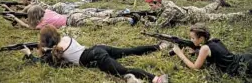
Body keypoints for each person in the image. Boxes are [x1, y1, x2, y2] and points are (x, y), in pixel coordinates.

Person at [21, 25, 169, 83]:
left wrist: (29, 54)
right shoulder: (65, 38)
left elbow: (40, 61)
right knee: (128, 51)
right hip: (97, 48)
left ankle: (156, 80)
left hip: (96, 58)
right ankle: (158, 47)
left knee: (124, 71)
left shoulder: (55, 52)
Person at [172, 23, 252, 80]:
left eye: (193, 38)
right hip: (244, 58)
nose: (191, 40)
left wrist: (179, 53)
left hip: (240, 67)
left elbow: (195, 67)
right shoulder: (214, 40)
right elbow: (214, 52)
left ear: (201, 39)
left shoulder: (205, 48)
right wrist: (196, 51)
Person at [144, 0, 252, 28]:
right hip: (191, 10)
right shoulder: (164, 2)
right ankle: (218, 2)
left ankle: (245, 14)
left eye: (151, 5)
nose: (150, 7)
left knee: (220, 17)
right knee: (205, 9)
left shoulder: (168, 10)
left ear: (157, 3)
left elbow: (158, 26)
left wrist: (146, 22)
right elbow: (160, 13)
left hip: (195, 16)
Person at [6, 5, 135, 29]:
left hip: (72, 21)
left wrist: (15, 17)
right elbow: (35, 6)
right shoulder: (48, 12)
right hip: (73, 14)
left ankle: (127, 19)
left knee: (102, 22)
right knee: (100, 14)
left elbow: (27, 26)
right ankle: (123, 11)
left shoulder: (42, 23)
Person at [3, 0, 100, 14]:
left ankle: (98, 9)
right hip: (57, 6)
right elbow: (23, 7)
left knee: (80, 10)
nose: (20, 2)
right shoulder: (33, 0)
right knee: (76, 5)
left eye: (21, 0)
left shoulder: (30, 6)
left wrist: (7, 8)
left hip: (58, 9)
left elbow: (19, 13)